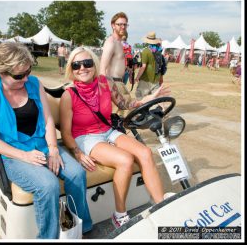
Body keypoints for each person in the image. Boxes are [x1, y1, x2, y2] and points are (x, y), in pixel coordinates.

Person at [0, 42, 92, 239]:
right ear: (1, 71)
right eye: (19, 75)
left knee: (77, 173)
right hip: (14, 154)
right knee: (47, 185)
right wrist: (25, 156)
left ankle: (81, 229)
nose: (26, 78)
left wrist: (53, 148)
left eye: (28, 71)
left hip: (43, 145)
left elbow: (47, 119)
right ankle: (48, 237)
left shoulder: (33, 83)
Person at [60, 46, 171, 229]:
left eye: (87, 63)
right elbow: (65, 132)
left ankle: (160, 205)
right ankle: (119, 215)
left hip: (107, 130)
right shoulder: (68, 95)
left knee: (145, 153)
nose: (82, 68)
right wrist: (78, 154)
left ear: (94, 64)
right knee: (125, 160)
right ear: (71, 69)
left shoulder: (106, 83)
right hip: (86, 137)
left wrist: (148, 98)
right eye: (76, 65)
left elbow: (124, 103)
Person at [134, 32, 166, 99]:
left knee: (140, 98)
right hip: (156, 80)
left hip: (146, 79)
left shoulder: (146, 51)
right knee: (153, 100)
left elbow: (143, 66)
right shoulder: (159, 51)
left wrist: (137, 77)